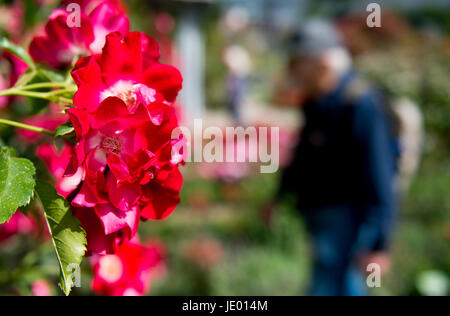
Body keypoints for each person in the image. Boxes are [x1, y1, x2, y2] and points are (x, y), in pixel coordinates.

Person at [265, 20, 399, 296]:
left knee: (335, 286)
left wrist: (380, 246)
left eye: (298, 63)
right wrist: (278, 197)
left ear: (322, 63)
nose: (292, 71)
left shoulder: (359, 103)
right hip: (322, 217)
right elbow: (303, 155)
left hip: (348, 220)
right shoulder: (317, 101)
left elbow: (380, 174)